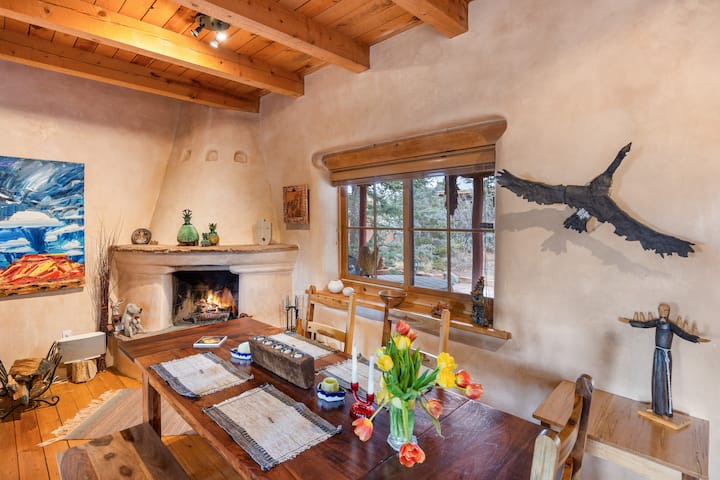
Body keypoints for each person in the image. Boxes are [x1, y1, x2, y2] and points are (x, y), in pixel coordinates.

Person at [619, 303, 709, 417]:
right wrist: (629, 322)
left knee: (665, 381)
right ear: (659, 311)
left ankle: (666, 410)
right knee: (656, 379)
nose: (663, 312)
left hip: (665, 355)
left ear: (668, 312)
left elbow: (683, 334)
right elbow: (644, 325)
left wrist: (696, 339)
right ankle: (656, 408)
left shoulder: (671, 325)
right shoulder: (657, 322)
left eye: (665, 310)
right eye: (661, 310)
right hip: (657, 353)